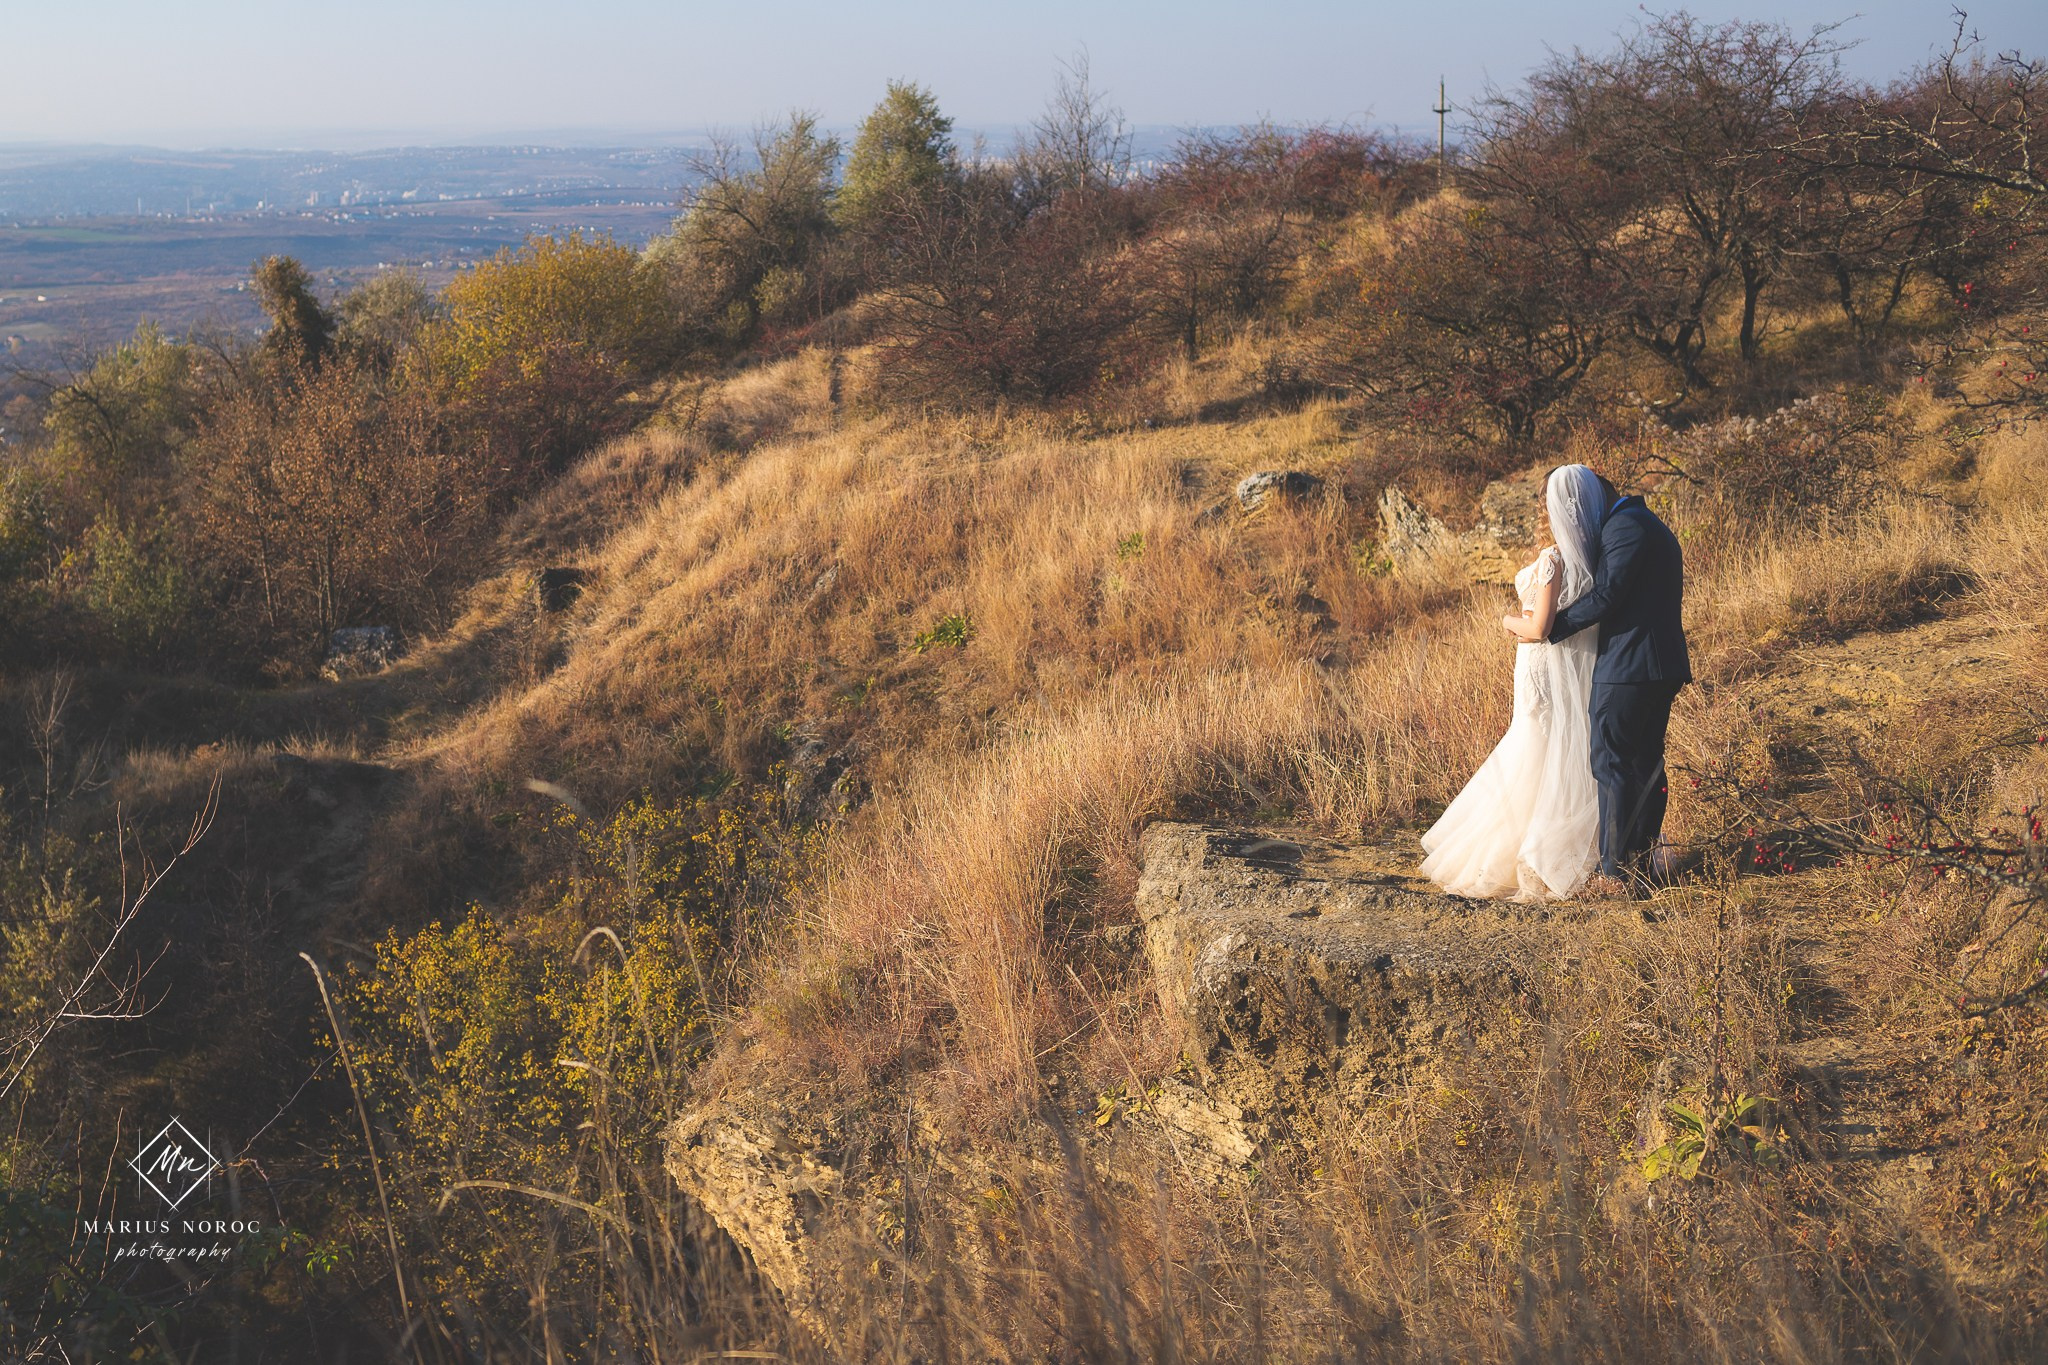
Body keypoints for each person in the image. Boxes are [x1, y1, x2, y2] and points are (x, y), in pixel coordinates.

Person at [1419, 465, 1606, 901]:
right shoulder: (1590, 559)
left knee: (1531, 741)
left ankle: (1519, 853)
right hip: (1562, 663)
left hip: (1539, 661)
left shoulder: (1552, 558)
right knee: (1552, 745)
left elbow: (1539, 626)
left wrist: (1508, 621)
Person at [1544, 474, 1691, 896]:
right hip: (1657, 666)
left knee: (1612, 765)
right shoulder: (1650, 524)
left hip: (1630, 667)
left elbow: (1609, 593)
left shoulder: (1626, 527)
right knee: (1645, 765)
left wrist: (1552, 626)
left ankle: (1615, 874)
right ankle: (1640, 866)